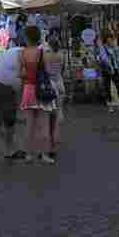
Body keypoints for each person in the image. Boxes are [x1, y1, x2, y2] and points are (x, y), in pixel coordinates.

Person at [18, 26, 56, 164]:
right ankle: (44, 155)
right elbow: (49, 72)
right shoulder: (42, 52)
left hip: (28, 90)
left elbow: (21, 74)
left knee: (29, 125)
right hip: (42, 90)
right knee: (44, 125)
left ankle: (28, 154)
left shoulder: (22, 53)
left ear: (26, 38)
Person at [0, 36, 26, 160]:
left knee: (1, 120)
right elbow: (23, 77)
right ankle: (9, 150)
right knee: (10, 121)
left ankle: (9, 146)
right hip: (4, 88)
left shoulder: (12, 51)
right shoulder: (23, 53)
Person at [42, 32, 65, 162]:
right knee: (57, 117)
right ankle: (54, 147)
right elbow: (61, 70)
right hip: (59, 83)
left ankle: (48, 148)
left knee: (48, 117)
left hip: (50, 85)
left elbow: (44, 70)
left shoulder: (46, 55)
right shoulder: (60, 55)